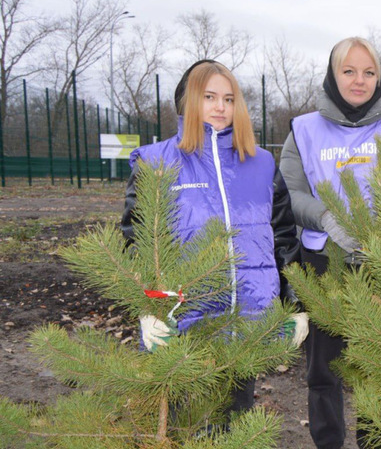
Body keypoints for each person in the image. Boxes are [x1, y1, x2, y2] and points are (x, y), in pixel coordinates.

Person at [279, 37, 381, 449]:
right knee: (324, 367)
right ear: (332, 75)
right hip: (323, 262)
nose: (359, 80)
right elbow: (289, 192)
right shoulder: (302, 129)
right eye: (349, 71)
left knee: (377, 369)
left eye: (368, 72)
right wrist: (326, 218)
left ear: (379, 77)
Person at [121, 59, 305, 411]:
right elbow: (135, 241)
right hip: (183, 327)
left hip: (246, 324)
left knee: (234, 427)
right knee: (181, 432)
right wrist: (146, 309)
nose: (221, 107)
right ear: (188, 102)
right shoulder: (156, 163)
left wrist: (295, 304)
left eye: (229, 98)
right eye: (209, 97)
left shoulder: (261, 163)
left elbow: (283, 236)